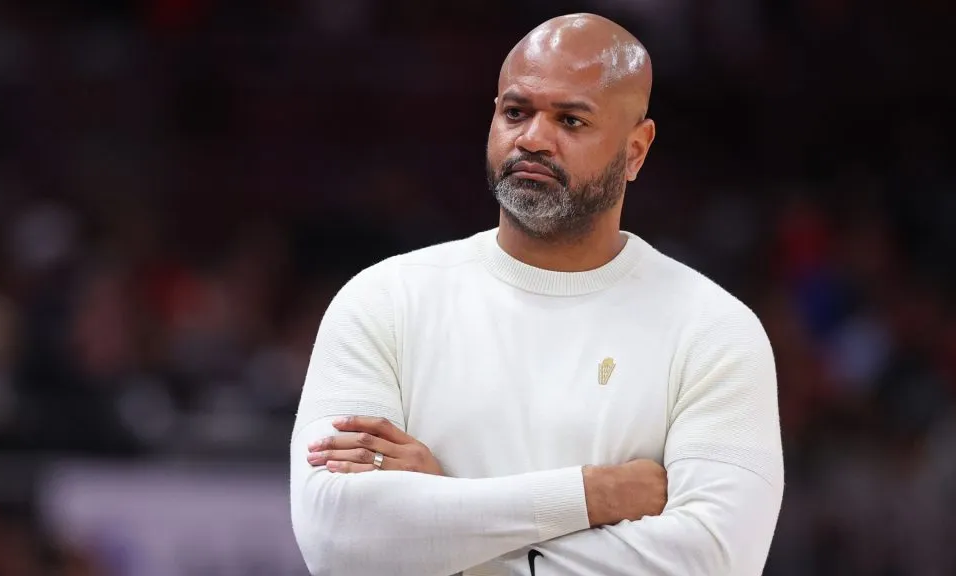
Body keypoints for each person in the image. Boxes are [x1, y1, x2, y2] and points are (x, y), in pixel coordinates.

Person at [290, 12, 783, 576]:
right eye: (516, 112)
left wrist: (445, 520)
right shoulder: (383, 301)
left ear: (636, 150)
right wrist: (595, 496)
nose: (532, 139)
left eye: (571, 121)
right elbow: (338, 539)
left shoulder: (714, 329)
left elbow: (714, 560)